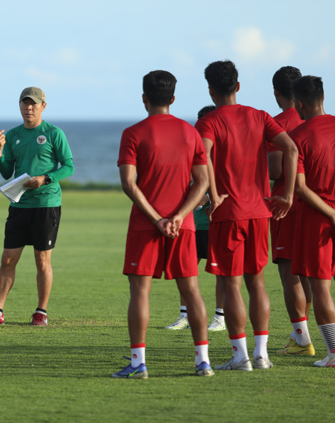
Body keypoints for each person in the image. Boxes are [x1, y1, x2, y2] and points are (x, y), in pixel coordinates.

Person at [195, 60, 298, 371]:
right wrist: (288, 195)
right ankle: (261, 355)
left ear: (210, 89)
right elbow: (291, 150)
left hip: (228, 213)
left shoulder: (208, 122)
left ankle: (240, 356)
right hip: (259, 212)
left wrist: (213, 194)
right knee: (258, 284)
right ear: (238, 86)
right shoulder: (260, 116)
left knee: (232, 286)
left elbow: (203, 157)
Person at [113, 70, 212, 379]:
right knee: (192, 290)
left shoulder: (133, 133)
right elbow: (203, 182)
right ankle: (202, 362)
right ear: (172, 98)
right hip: (183, 227)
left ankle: (139, 363)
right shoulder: (190, 132)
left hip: (146, 224)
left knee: (140, 292)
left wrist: (157, 218)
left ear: (144, 98)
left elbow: (129, 184)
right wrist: (180, 216)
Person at [0, 86, 74, 326]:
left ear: (43, 106)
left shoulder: (53, 133)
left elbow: (68, 166)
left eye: (34, 104)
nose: (29, 108)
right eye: (25, 103)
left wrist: (45, 178)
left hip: (46, 203)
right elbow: (7, 172)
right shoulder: (13, 135)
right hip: (20, 204)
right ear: (19, 105)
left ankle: (41, 312)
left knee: (42, 260)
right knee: (8, 259)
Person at [165, 105, 226, 332]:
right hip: (191, 223)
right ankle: (185, 316)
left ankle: (220, 317)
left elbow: (218, 186)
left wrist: (204, 197)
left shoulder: (220, 155)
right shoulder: (191, 150)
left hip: (214, 223)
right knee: (186, 270)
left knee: (219, 271)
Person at [267, 67, 315, 355]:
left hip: (287, 204)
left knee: (290, 274)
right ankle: (305, 335)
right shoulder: (317, 121)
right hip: (317, 202)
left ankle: (302, 338)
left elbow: (274, 169)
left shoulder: (276, 123)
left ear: (276, 93)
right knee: (311, 272)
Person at [289, 75, 335, 367]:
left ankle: (333, 353)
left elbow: (300, 188)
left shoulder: (298, 136)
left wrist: (331, 214)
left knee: (320, 289)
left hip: (318, 217)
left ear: (299, 103)